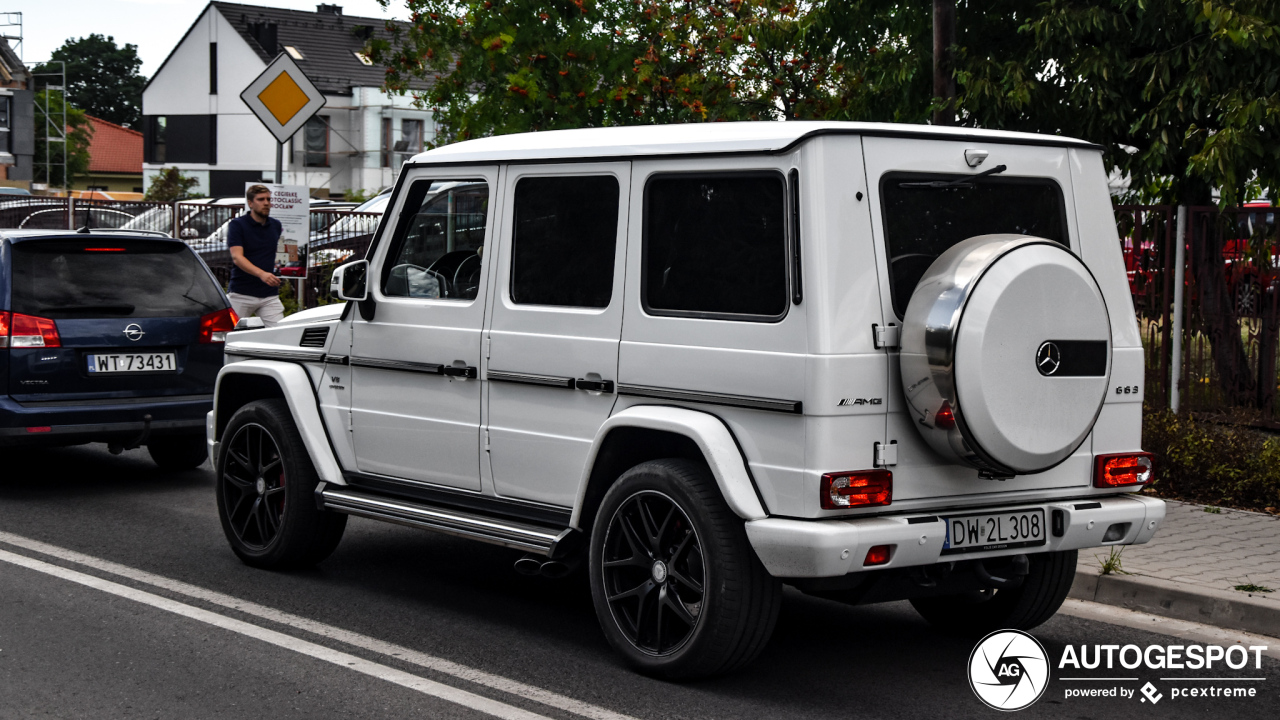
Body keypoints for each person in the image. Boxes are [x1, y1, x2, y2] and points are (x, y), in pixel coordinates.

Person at [226, 184, 285, 327]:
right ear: (250, 203)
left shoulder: (275, 225)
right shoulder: (237, 225)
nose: (266, 203)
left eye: (268, 199)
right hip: (241, 292)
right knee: (226, 334)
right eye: (261, 199)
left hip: (269, 295)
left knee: (281, 333)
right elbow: (237, 257)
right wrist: (262, 274)